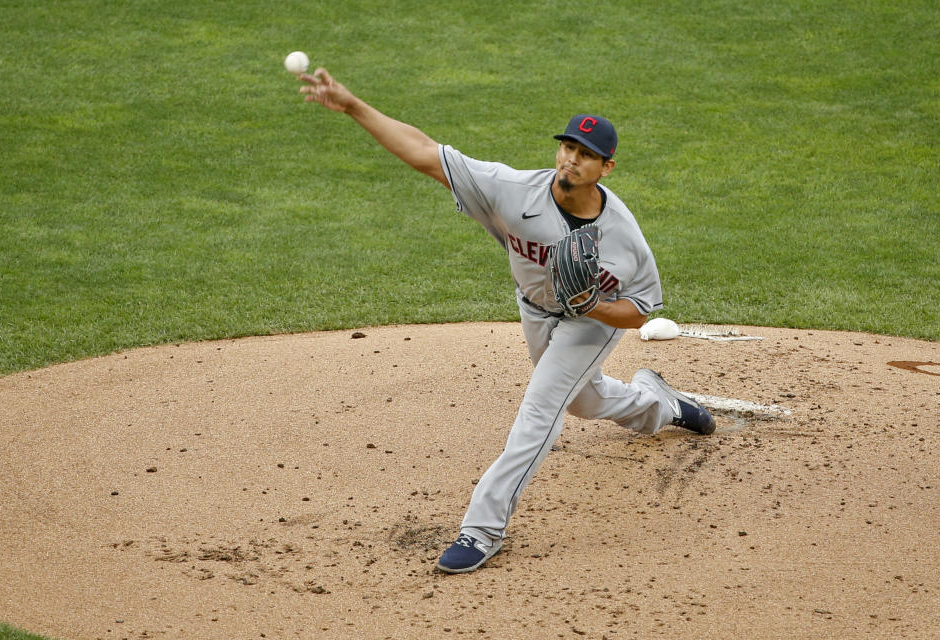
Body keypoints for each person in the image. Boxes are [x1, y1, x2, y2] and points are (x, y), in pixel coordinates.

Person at [299, 68, 716, 574]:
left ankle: (482, 528)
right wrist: (352, 105)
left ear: (606, 166)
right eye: (567, 148)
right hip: (535, 310)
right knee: (583, 400)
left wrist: (594, 308)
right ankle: (659, 404)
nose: (571, 159)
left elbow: (640, 309)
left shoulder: (624, 236)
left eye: (585, 154)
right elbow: (425, 154)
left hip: (591, 321)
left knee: (541, 409)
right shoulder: (512, 190)